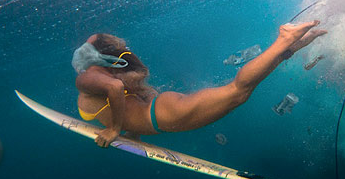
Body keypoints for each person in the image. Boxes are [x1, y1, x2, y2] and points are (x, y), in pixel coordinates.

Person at [74, 21, 327, 147]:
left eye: (84, 47)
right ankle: (289, 47)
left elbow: (117, 91)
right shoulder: (105, 73)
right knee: (239, 93)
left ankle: (284, 40)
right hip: (160, 110)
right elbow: (124, 99)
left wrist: (114, 129)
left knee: (238, 92)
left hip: (162, 114)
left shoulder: (86, 77)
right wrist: (132, 131)